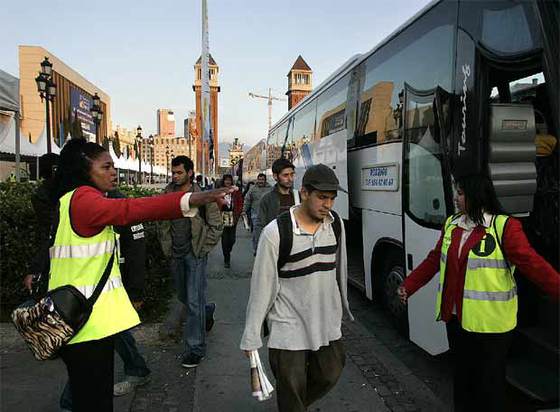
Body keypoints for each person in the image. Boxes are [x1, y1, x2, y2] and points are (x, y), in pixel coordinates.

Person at [46, 139, 235, 412]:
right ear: (84, 169)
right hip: (85, 323)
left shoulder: (68, 199)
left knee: (86, 394)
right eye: (106, 166)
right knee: (94, 399)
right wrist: (197, 198)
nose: (114, 172)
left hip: (77, 317)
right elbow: (131, 210)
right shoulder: (84, 199)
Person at [397, 173, 560, 412]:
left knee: (489, 388)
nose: (455, 198)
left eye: (461, 193)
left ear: (477, 195)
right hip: (456, 320)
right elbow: (434, 261)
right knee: (463, 382)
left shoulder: (504, 227)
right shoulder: (452, 223)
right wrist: (408, 286)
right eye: (456, 192)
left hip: (491, 328)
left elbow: (534, 265)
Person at [240, 164, 353, 412]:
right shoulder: (276, 233)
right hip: (287, 327)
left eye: (332, 199)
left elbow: (339, 270)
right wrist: (252, 337)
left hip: (325, 324)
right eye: (322, 197)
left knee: (330, 373)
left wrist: (342, 308)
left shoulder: (335, 226)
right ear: (304, 193)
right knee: (291, 390)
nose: (328, 205)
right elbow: (261, 289)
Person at [60, 190, 151, 410]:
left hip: (111, 287)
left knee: (94, 342)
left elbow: (137, 251)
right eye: (105, 167)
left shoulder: (119, 202)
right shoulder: (72, 201)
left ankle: (70, 400)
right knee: (100, 339)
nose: (111, 172)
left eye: (111, 166)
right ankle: (137, 368)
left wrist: (137, 291)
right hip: (89, 289)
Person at [164, 156, 223, 368]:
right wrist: (166, 246)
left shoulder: (203, 196)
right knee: (184, 296)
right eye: (173, 172)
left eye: (179, 172)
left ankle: (195, 348)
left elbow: (216, 225)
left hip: (195, 254)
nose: (175, 176)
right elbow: (161, 221)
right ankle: (207, 312)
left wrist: (203, 248)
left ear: (189, 172)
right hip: (175, 253)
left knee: (193, 300)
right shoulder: (167, 194)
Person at [254, 158, 299, 243]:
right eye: (285, 175)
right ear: (275, 176)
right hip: (275, 245)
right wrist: (259, 249)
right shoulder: (267, 199)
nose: (290, 179)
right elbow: (260, 225)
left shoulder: (299, 197)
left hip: (296, 247)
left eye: (292, 174)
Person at [243, 173, 271, 254]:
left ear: (265, 180)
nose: (261, 181)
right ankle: (256, 250)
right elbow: (247, 200)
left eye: (262, 180)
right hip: (256, 214)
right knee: (257, 233)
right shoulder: (253, 189)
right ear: (257, 180)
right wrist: (244, 210)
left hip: (268, 215)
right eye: (259, 179)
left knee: (267, 233)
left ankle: (266, 250)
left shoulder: (270, 189)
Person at [220, 174, 244, 268]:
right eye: (226, 180)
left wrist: (238, 213)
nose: (228, 182)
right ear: (224, 181)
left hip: (233, 216)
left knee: (232, 239)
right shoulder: (220, 191)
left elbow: (240, 202)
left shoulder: (235, 191)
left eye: (229, 180)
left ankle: (228, 250)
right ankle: (227, 258)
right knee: (225, 238)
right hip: (223, 215)